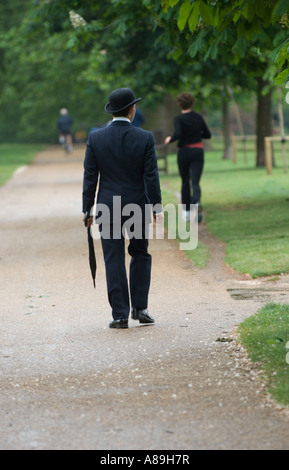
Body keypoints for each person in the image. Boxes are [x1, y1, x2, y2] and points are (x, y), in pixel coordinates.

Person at [82, 88, 163, 329]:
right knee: (140, 253)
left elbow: (90, 177)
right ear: (131, 110)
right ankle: (140, 308)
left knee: (113, 258)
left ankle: (119, 314)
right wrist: (157, 207)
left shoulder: (96, 138)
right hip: (136, 204)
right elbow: (151, 176)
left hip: (107, 206)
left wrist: (87, 209)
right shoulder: (145, 137)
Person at [165, 92, 212, 223]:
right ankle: (196, 202)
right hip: (198, 151)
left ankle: (186, 212)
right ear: (192, 103)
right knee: (195, 181)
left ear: (179, 104)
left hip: (184, 152)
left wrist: (170, 139)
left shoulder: (178, 119)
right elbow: (207, 134)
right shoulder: (198, 117)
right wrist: (196, 134)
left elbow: (178, 133)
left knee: (185, 181)